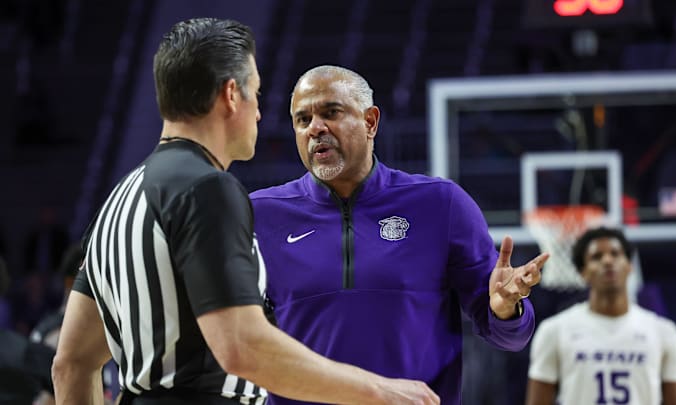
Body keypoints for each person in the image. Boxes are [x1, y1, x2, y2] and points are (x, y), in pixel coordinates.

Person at [51, 19, 439, 405]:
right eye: (256, 93)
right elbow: (241, 346)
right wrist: (379, 390)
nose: (258, 112)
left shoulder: (120, 199)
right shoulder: (207, 188)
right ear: (231, 94)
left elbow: (70, 365)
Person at [249, 65, 550, 405]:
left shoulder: (441, 204)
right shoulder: (259, 214)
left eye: (331, 112)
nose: (316, 128)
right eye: (303, 120)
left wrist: (506, 308)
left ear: (370, 122)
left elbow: (510, 338)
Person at [525, 227, 676, 405]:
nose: (608, 261)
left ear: (629, 266)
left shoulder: (663, 331)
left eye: (616, 254)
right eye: (596, 257)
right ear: (583, 272)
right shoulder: (554, 330)